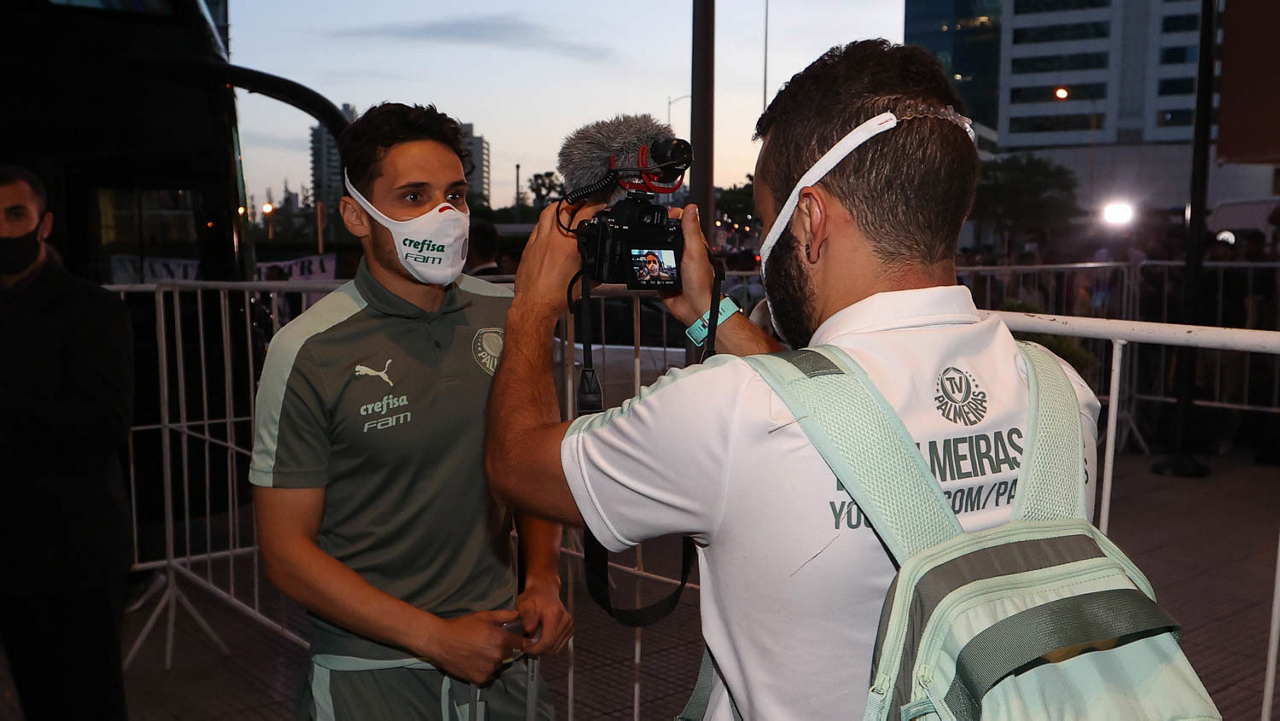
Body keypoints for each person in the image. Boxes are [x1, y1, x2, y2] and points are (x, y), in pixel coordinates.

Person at [485, 40, 1099, 719]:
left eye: (765, 218)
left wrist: (531, 308)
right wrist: (708, 314)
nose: (761, 243)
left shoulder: (729, 412)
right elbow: (830, 403)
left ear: (809, 220)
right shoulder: (1062, 393)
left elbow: (515, 464)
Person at [249, 103, 570, 720]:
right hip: (371, 675)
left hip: (500, 657)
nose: (443, 215)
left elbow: (530, 463)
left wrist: (543, 579)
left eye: (455, 195)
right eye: (414, 197)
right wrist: (434, 638)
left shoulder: (507, 316)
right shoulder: (307, 350)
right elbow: (286, 552)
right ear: (356, 216)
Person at [0, 164, 133, 720]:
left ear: (44, 223)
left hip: (70, 554)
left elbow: (104, 425)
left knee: (82, 700)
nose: (4, 230)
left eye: (15, 215)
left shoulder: (91, 310)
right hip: (11, 551)